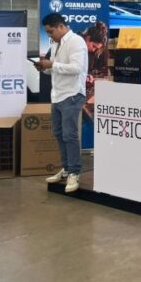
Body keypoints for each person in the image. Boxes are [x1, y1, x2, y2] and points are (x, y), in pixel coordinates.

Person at [35, 13, 88, 193]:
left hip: (72, 94)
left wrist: (52, 65)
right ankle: (66, 168)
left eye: (51, 32)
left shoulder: (76, 42)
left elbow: (77, 68)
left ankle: (74, 172)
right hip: (57, 95)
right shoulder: (56, 44)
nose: (50, 36)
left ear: (60, 26)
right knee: (58, 133)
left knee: (69, 135)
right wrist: (44, 68)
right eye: (48, 33)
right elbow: (56, 70)